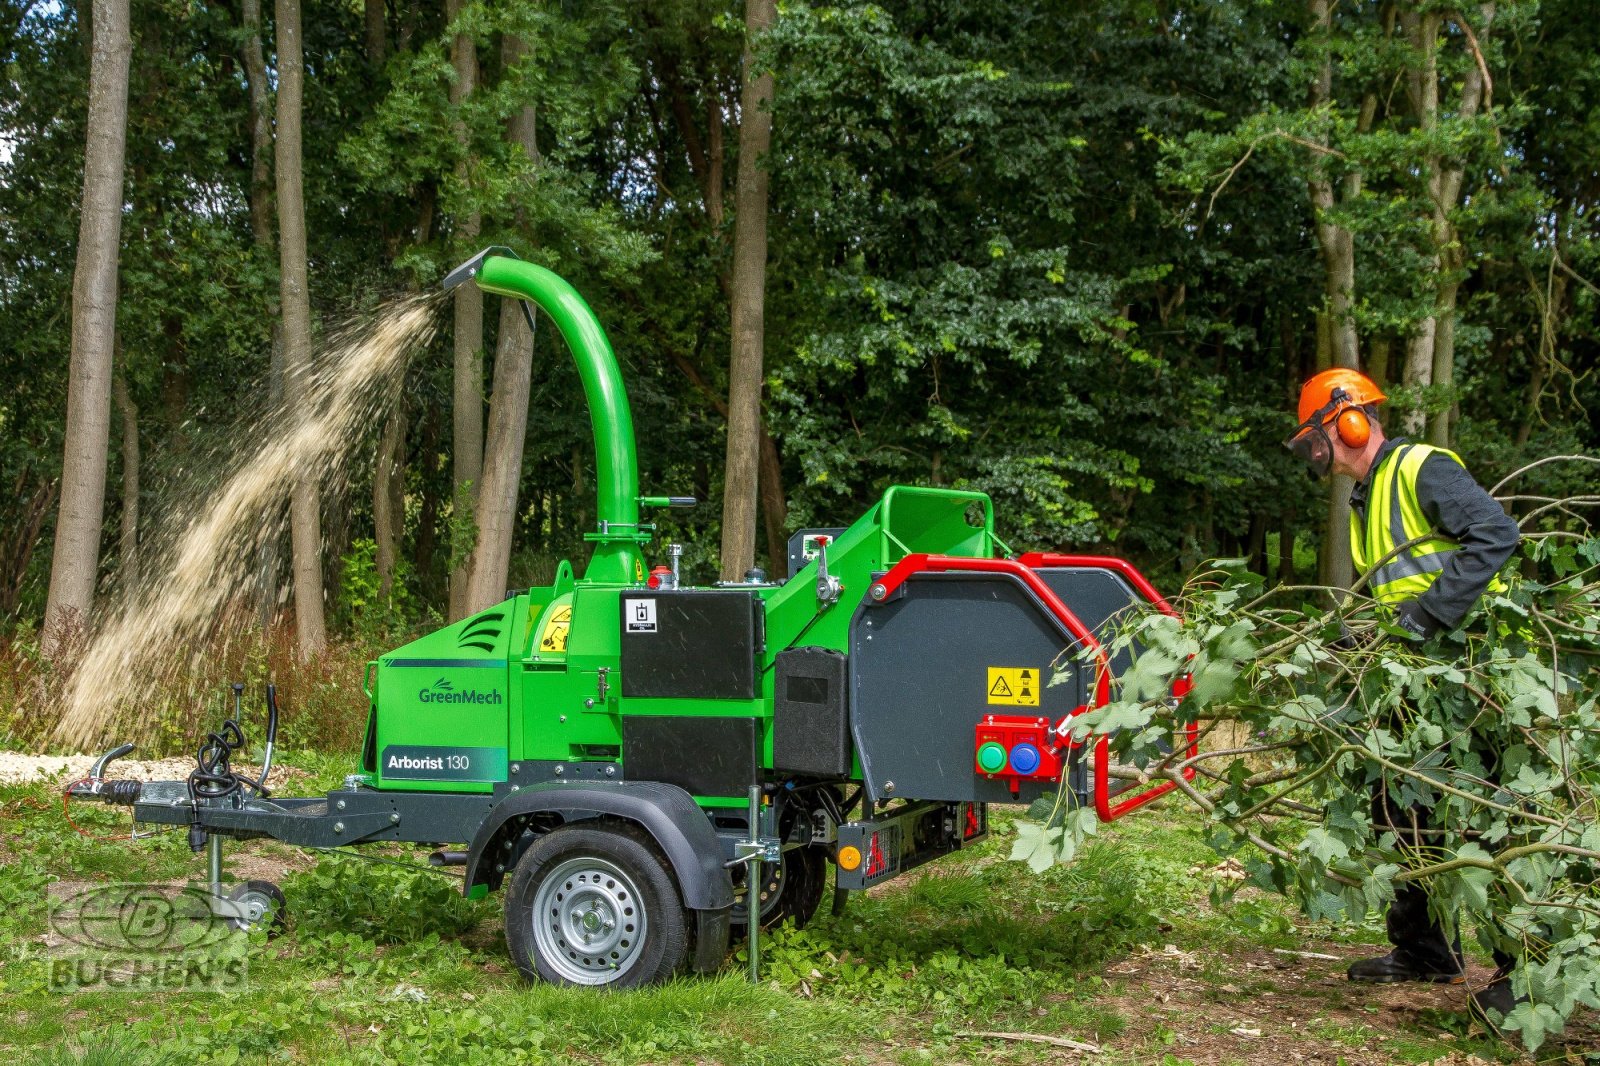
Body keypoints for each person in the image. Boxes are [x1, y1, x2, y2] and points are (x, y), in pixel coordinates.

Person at [1284, 368, 1524, 1022]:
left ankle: (1527, 971)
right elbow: (1398, 589)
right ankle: (1424, 949)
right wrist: (1356, 642)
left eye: (1318, 438)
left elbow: (1496, 536)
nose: (1316, 454)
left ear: (1349, 420)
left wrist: (1431, 615)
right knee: (1401, 802)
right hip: (1418, 672)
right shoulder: (1367, 499)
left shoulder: (1420, 468)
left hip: (1474, 667)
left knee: (1488, 816)